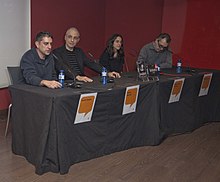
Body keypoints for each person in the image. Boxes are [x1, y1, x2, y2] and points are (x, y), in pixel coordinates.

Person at [53, 27, 120, 82]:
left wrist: (107, 72)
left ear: (78, 40)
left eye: (75, 38)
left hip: (81, 81)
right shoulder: (57, 52)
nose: (72, 40)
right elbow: (63, 67)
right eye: (70, 37)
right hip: (67, 83)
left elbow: (91, 64)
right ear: (65, 37)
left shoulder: (79, 51)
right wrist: (77, 77)